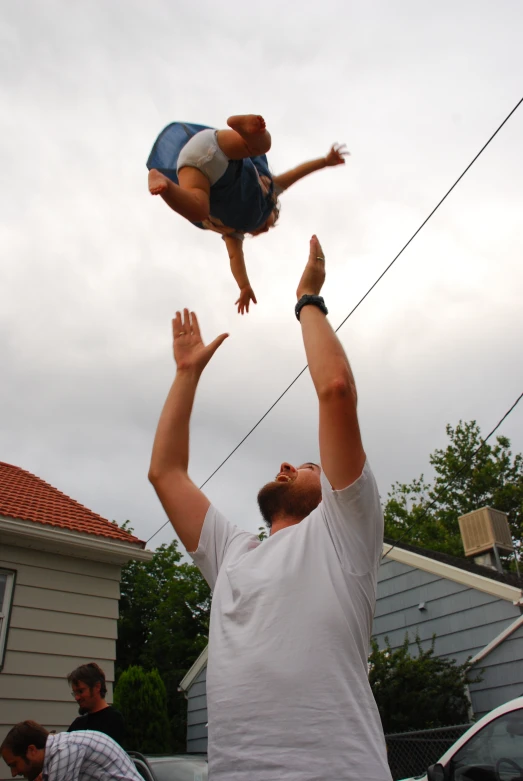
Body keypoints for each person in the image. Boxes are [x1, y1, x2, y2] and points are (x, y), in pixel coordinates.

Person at [147, 235, 392, 781]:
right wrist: (186, 375)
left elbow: (335, 389)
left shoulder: (343, 534)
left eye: (305, 466)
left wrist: (308, 299)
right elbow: (165, 473)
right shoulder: (232, 555)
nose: (287, 466)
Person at [147, 115, 348, 313]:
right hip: (221, 149)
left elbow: (236, 258)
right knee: (260, 146)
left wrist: (244, 286)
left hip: (193, 164)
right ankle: (246, 130)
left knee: (199, 208)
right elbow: (298, 172)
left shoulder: (233, 232)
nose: (266, 228)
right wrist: (324, 161)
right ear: (274, 209)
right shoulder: (270, 191)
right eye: (270, 223)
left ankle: (166, 186)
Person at [0, 721, 142, 781]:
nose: (14, 773)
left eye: (14, 764)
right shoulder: (61, 748)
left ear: (31, 750)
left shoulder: (64, 751)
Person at [67, 663, 125, 747]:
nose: (77, 697)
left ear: (97, 687)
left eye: (80, 691)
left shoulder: (113, 719)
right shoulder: (78, 723)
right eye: (75, 693)